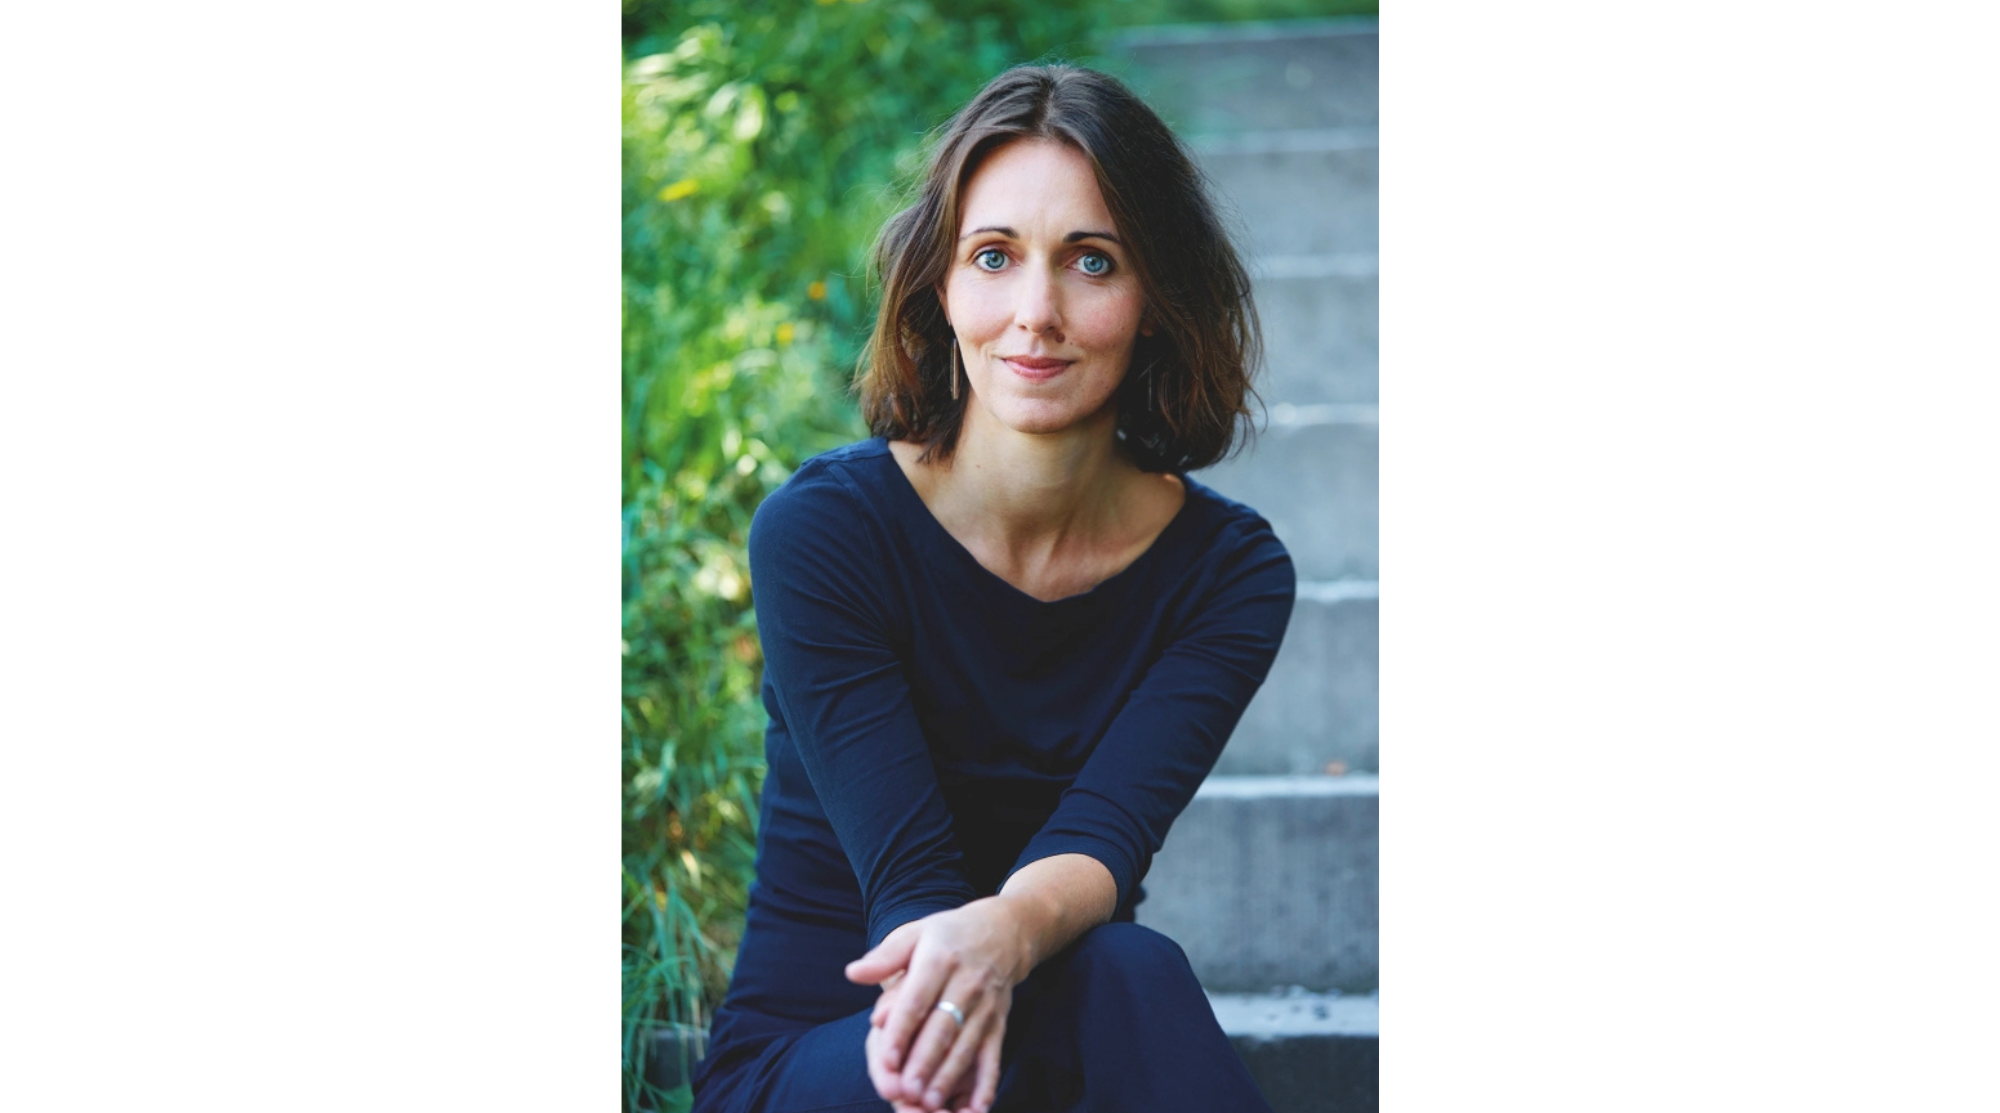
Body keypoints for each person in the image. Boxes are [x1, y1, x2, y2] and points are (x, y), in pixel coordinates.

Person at [690, 63, 1295, 1113]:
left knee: (1124, 968)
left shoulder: (1225, 574)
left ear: (1157, 298)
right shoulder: (827, 532)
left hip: (1066, 1020)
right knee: (1081, 992)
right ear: (940, 285)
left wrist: (1011, 931)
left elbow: (1103, 837)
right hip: (832, 1052)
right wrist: (982, 950)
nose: (1035, 313)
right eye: (993, 257)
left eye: (1092, 262)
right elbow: (912, 895)